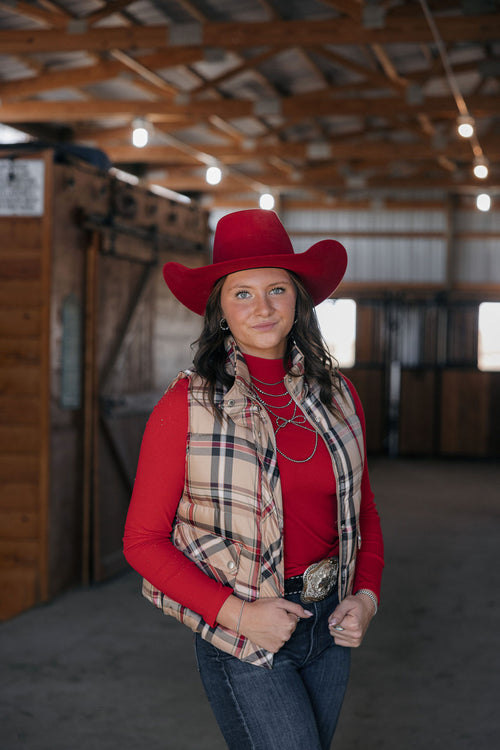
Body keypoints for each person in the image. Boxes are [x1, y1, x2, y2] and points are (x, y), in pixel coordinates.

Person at [123, 209, 384, 750]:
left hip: (330, 623)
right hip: (242, 632)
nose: (262, 307)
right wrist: (241, 616)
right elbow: (143, 542)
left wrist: (365, 597)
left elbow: (362, 512)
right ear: (219, 307)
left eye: (277, 290)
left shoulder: (337, 397)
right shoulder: (187, 407)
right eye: (242, 293)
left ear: (299, 301)